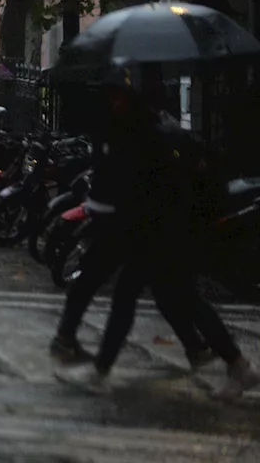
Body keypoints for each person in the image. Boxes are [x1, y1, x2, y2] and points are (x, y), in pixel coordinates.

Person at [56, 76, 259, 398]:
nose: (114, 104)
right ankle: (228, 361)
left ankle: (235, 364)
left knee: (145, 300)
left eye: (119, 97)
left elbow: (150, 190)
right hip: (154, 235)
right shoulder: (143, 132)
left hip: (159, 235)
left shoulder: (150, 136)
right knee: (176, 300)